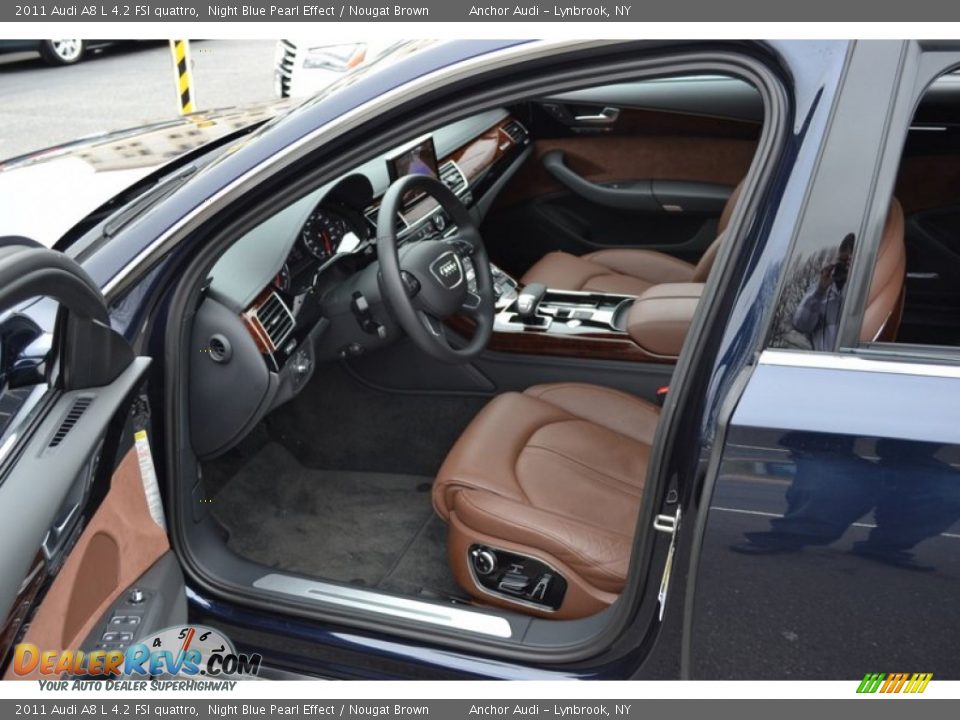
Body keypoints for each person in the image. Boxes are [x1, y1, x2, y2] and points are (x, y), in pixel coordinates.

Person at [792, 233, 854, 351]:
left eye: (849, 263)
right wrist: (820, 291)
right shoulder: (820, 293)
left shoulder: (865, 293)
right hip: (824, 364)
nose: (844, 268)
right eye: (841, 262)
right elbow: (800, 324)